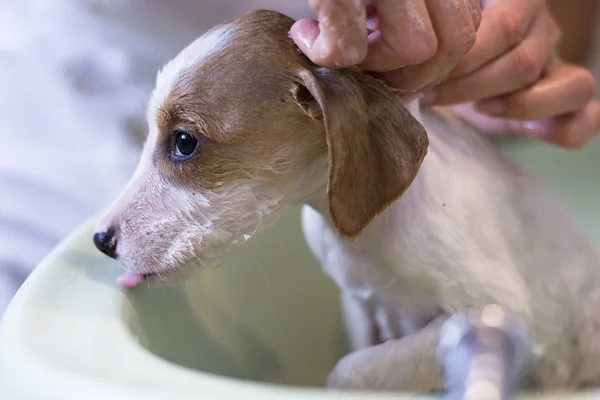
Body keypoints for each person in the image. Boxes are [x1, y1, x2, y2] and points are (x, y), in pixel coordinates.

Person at [0, 0, 598, 318]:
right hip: (74, 103)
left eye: (184, 146)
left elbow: (554, 22)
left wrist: (502, 43)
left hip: (388, 119)